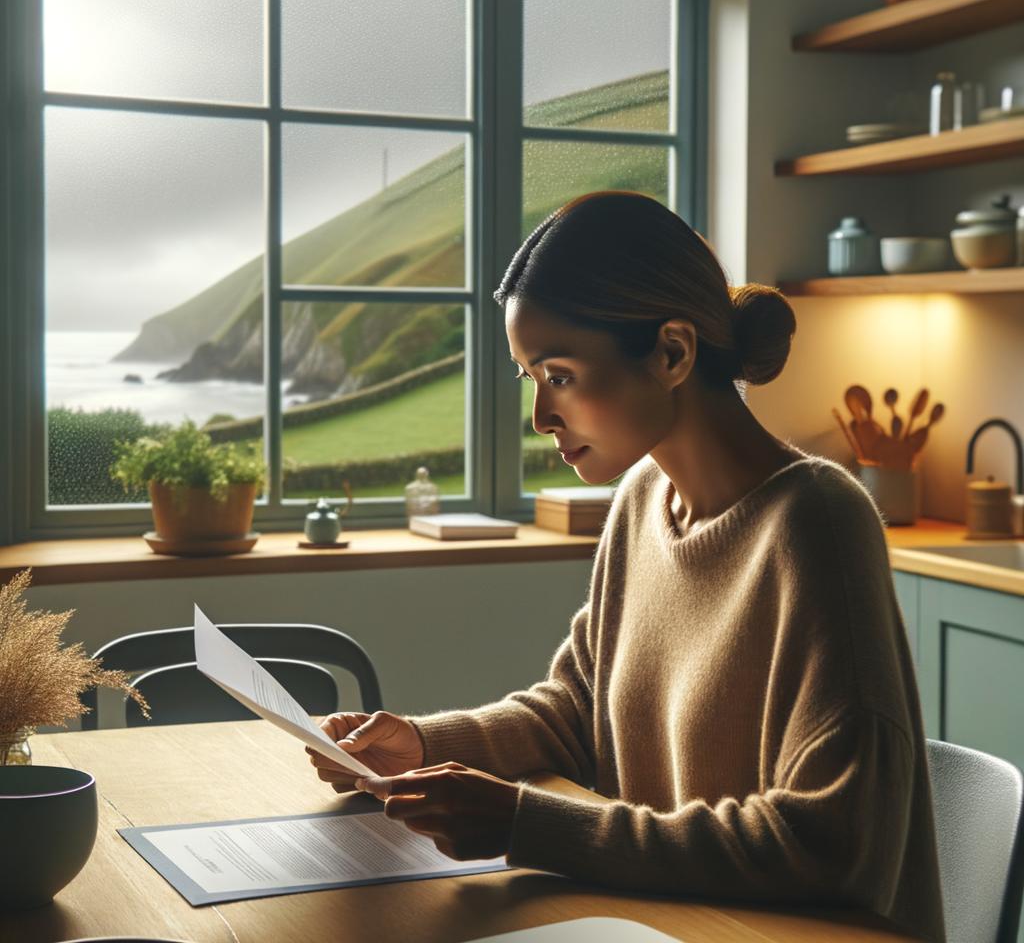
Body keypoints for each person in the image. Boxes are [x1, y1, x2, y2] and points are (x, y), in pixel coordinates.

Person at [308, 191, 945, 942]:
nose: (543, 416)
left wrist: (527, 825)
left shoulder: (816, 523)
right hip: (671, 925)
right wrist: (422, 745)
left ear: (673, 352)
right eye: (530, 380)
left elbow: (831, 845)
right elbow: (579, 712)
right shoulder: (645, 498)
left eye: (561, 375)